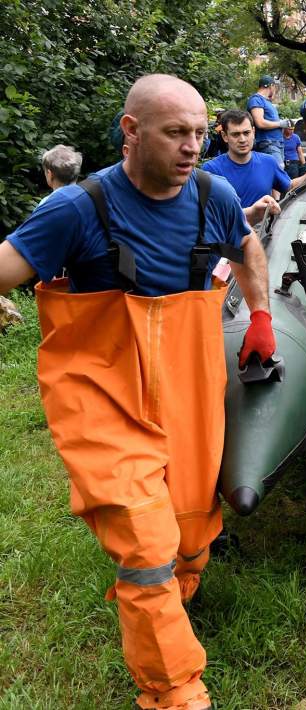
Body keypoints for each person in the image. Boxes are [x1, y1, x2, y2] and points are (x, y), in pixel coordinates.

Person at [0, 74, 275, 710]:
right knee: (147, 544)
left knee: (188, 526)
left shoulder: (214, 193)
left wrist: (260, 319)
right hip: (102, 390)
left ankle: (160, 598)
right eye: (176, 132)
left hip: (187, 380)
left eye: (200, 133)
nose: (192, 147)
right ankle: (175, 690)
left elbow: (247, 247)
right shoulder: (76, 207)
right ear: (131, 132)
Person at [202, 109, 306, 209]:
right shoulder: (211, 170)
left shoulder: (268, 162)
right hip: (229, 229)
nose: (242, 139)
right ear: (225, 136)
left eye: (246, 133)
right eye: (236, 134)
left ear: (253, 132)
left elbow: (290, 186)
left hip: (263, 229)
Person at [247, 75, 294, 168]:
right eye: (274, 86)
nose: (275, 89)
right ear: (270, 86)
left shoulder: (267, 102)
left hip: (276, 143)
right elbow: (260, 123)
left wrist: (283, 124)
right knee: (276, 170)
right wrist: (280, 124)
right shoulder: (256, 99)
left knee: (279, 171)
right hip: (268, 143)